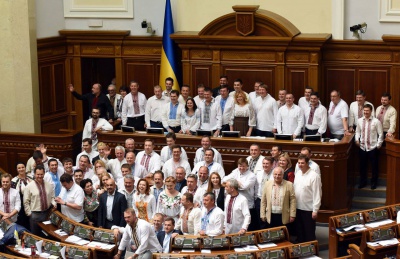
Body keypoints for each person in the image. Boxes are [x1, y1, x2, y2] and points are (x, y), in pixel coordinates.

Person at [293, 154, 322, 243]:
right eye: (299, 163)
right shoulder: (297, 173)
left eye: (302, 163)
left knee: (309, 233)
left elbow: (317, 193)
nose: (300, 165)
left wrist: (315, 210)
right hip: (298, 207)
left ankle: (311, 252)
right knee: (299, 231)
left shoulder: (314, 176)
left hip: (309, 209)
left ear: (307, 163)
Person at [222, 158, 256, 230]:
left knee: (245, 223)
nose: (241, 168)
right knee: (233, 221)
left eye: (243, 166)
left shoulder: (252, 175)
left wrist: (233, 182)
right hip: (234, 200)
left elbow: (244, 187)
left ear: (247, 166)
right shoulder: (236, 171)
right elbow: (224, 179)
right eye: (240, 166)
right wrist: (235, 183)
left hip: (247, 202)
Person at [355, 104, 384, 189]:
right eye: (364, 110)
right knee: (362, 166)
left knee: (374, 167)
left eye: (367, 110)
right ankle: (362, 182)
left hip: (373, 148)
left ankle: (373, 183)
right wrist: (357, 140)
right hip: (362, 147)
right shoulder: (359, 120)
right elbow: (357, 132)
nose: (365, 112)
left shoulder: (376, 121)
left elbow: (381, 134)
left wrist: (378, 145)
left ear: (371, 111)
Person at [23, 165, 56, 236]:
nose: (40, 176)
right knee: (35, 235)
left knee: (46, 234)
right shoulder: (29, 186)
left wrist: (54, 203)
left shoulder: (49, 185)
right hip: (35, 215)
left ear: (44, 174)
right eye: (38, 174)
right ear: (34, 174)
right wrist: (29, 214)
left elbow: (53, 197)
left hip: (47, 213)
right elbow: (26, 201)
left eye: (41, 174)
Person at [11, 162, 33, 229]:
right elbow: (13, 194)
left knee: (31, 220)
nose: (21, 169)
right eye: (19, 168)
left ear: (25, 168)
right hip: (21, 203)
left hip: (32, 202)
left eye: (23, 167)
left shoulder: (31, 177)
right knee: (23, 221)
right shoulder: (14, 180)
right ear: (17, 169)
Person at [254, 157, 274, 229]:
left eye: (267, 164)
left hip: (270, 200)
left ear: (272, 165)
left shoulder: (275, 173)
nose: (265, 165)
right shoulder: (259, 173)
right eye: (264, 163)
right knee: (261, 221)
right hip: (259, 199)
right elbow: (256, 186)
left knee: (269, 221)